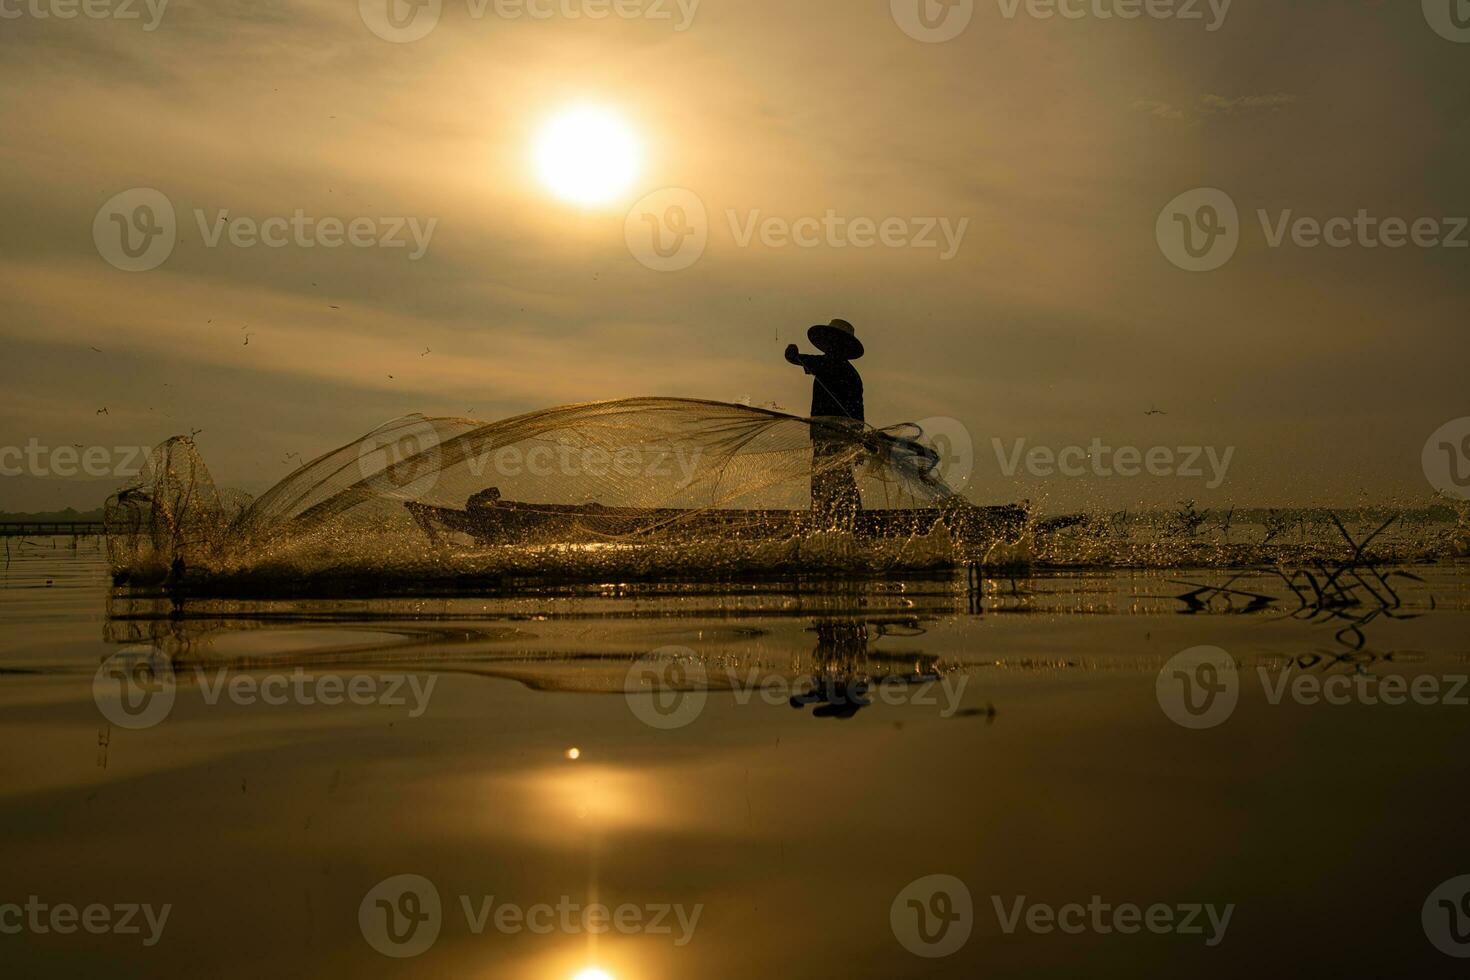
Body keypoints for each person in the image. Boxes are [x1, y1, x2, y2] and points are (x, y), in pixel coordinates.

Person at [785, 318, 864, 529]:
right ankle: (852, 521)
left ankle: (826, 523)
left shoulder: (828, 364)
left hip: (830, 434)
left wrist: (793, 352)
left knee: (825, 479)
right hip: (843, 435)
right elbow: (859, 412)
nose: (829, 346)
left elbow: (793, 358)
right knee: (841, 478)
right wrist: (858, 439)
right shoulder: (852, 374)